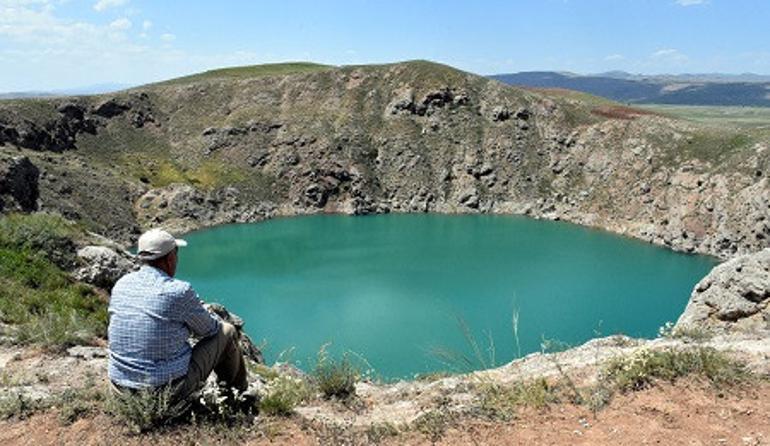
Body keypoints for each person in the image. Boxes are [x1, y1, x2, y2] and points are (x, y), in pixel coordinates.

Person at [108, 228, 247, 404]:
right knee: (227, 331)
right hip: (166, 393)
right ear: (169, 258)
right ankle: (237, 395)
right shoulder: (178, 291)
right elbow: (210, 330)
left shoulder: (121, 284)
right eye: (176, 253)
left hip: (120, 391)